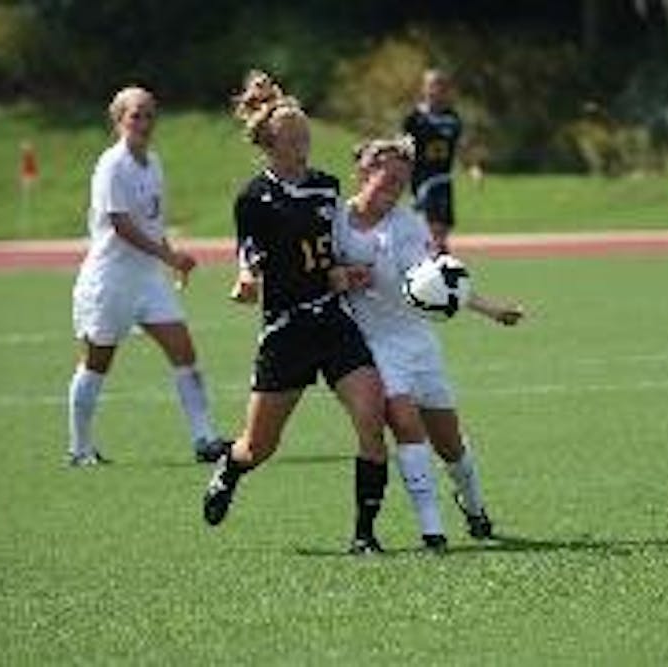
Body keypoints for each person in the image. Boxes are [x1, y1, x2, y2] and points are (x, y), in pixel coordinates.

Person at [202, 71, 391, 556]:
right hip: (286, 331)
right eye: (295, 136)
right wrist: (247, 279)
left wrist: (347, 271)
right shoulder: (253, 198)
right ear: (270, 143)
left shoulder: (327, 187)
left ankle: (364, 536)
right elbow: (249, 253)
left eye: (306, 132)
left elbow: (331, 251)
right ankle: (230, 467)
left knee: (372, 417)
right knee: (258, 447)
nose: (305, 141)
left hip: (332, 320)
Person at [335, 134, 525, 547]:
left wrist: (489, 308)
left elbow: (438, 283)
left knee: (450, 443)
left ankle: (474, 507)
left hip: (418, 342)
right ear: (363, 173)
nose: (394, 191)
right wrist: (339, 276)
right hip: (373, 344)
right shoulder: (334, 220)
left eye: (402, 183)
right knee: (404, 423)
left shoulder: (408, 224)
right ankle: (431, 528)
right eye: (387, 180)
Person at [67, 86, 229, 466]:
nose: (143, 122)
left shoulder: (153, 162)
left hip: (148, 280)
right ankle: (79, 449)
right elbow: (121, 225)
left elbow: (153, 223)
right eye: (135, 114)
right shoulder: (112, 165)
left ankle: (205, 438)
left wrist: (171, 256)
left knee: (184, 352)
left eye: (149, 114)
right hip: (110, 281)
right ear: (119, 120)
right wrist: (167, 256)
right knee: (96, 363)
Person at [402, 69, 462, 251]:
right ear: (424, 88)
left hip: (442, 179)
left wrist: (473, 167)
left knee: (442, 229)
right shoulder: (414, 118)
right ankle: (425, 268)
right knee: (424, 229)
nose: (436, 90)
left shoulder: (452, 118)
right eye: (432, 85)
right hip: (421, 180)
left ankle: (442, 271)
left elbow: (461, 146)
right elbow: (404, 146)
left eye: (440, 85)